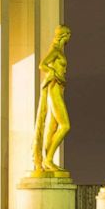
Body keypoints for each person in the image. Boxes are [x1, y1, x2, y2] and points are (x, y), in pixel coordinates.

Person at [32, 25, 72, 172]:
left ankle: (46, 160)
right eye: (68, 35)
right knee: (65, 125)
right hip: (54, 89)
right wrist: (54, 73)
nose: (69, 38)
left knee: (53, 127)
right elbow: (42, 65)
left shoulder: (59, 51)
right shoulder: (55, 50)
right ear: (63, 35)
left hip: (59, 89)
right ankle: (48, 158)